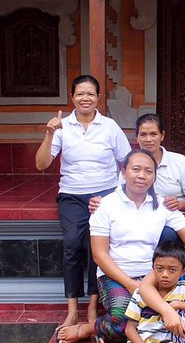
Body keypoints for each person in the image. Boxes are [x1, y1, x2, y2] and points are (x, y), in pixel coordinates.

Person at [55, 150, 185, 343]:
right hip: (115, 275)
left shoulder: (162, 205)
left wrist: (178, 264)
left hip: (153, 275)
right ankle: (90, 329)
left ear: (154, 176)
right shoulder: (105, 205)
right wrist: (130, 284)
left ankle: (104, 337)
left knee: (170, 317)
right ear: (123, 171)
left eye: (148, 171)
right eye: (136, 169)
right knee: (124, 318)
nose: (142, 176)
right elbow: (99, 254)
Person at [36, 74, 131, 328]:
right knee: (72, 244)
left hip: (105, 195)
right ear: (72, 97)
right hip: (71, 195)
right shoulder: (62, 127)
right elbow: (41, 164)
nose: (85, 98)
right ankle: (71, 309)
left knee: (95, 247)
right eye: (80, 94)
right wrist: (48, 134)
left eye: (90, 93)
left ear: (98, 97)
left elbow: (129, 162)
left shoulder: (110, 127)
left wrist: (116, 193)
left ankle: (91, 306)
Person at [89, 113, 185, 243]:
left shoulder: (179, 161)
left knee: (165, 234)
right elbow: (120, 195)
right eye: (143, 135)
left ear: (162, 135)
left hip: (176, 223)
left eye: (153, 134)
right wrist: (101, 202)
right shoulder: (130, 163)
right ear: (137, 137)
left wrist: (179, 204)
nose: (148, 139)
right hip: (140, 219)